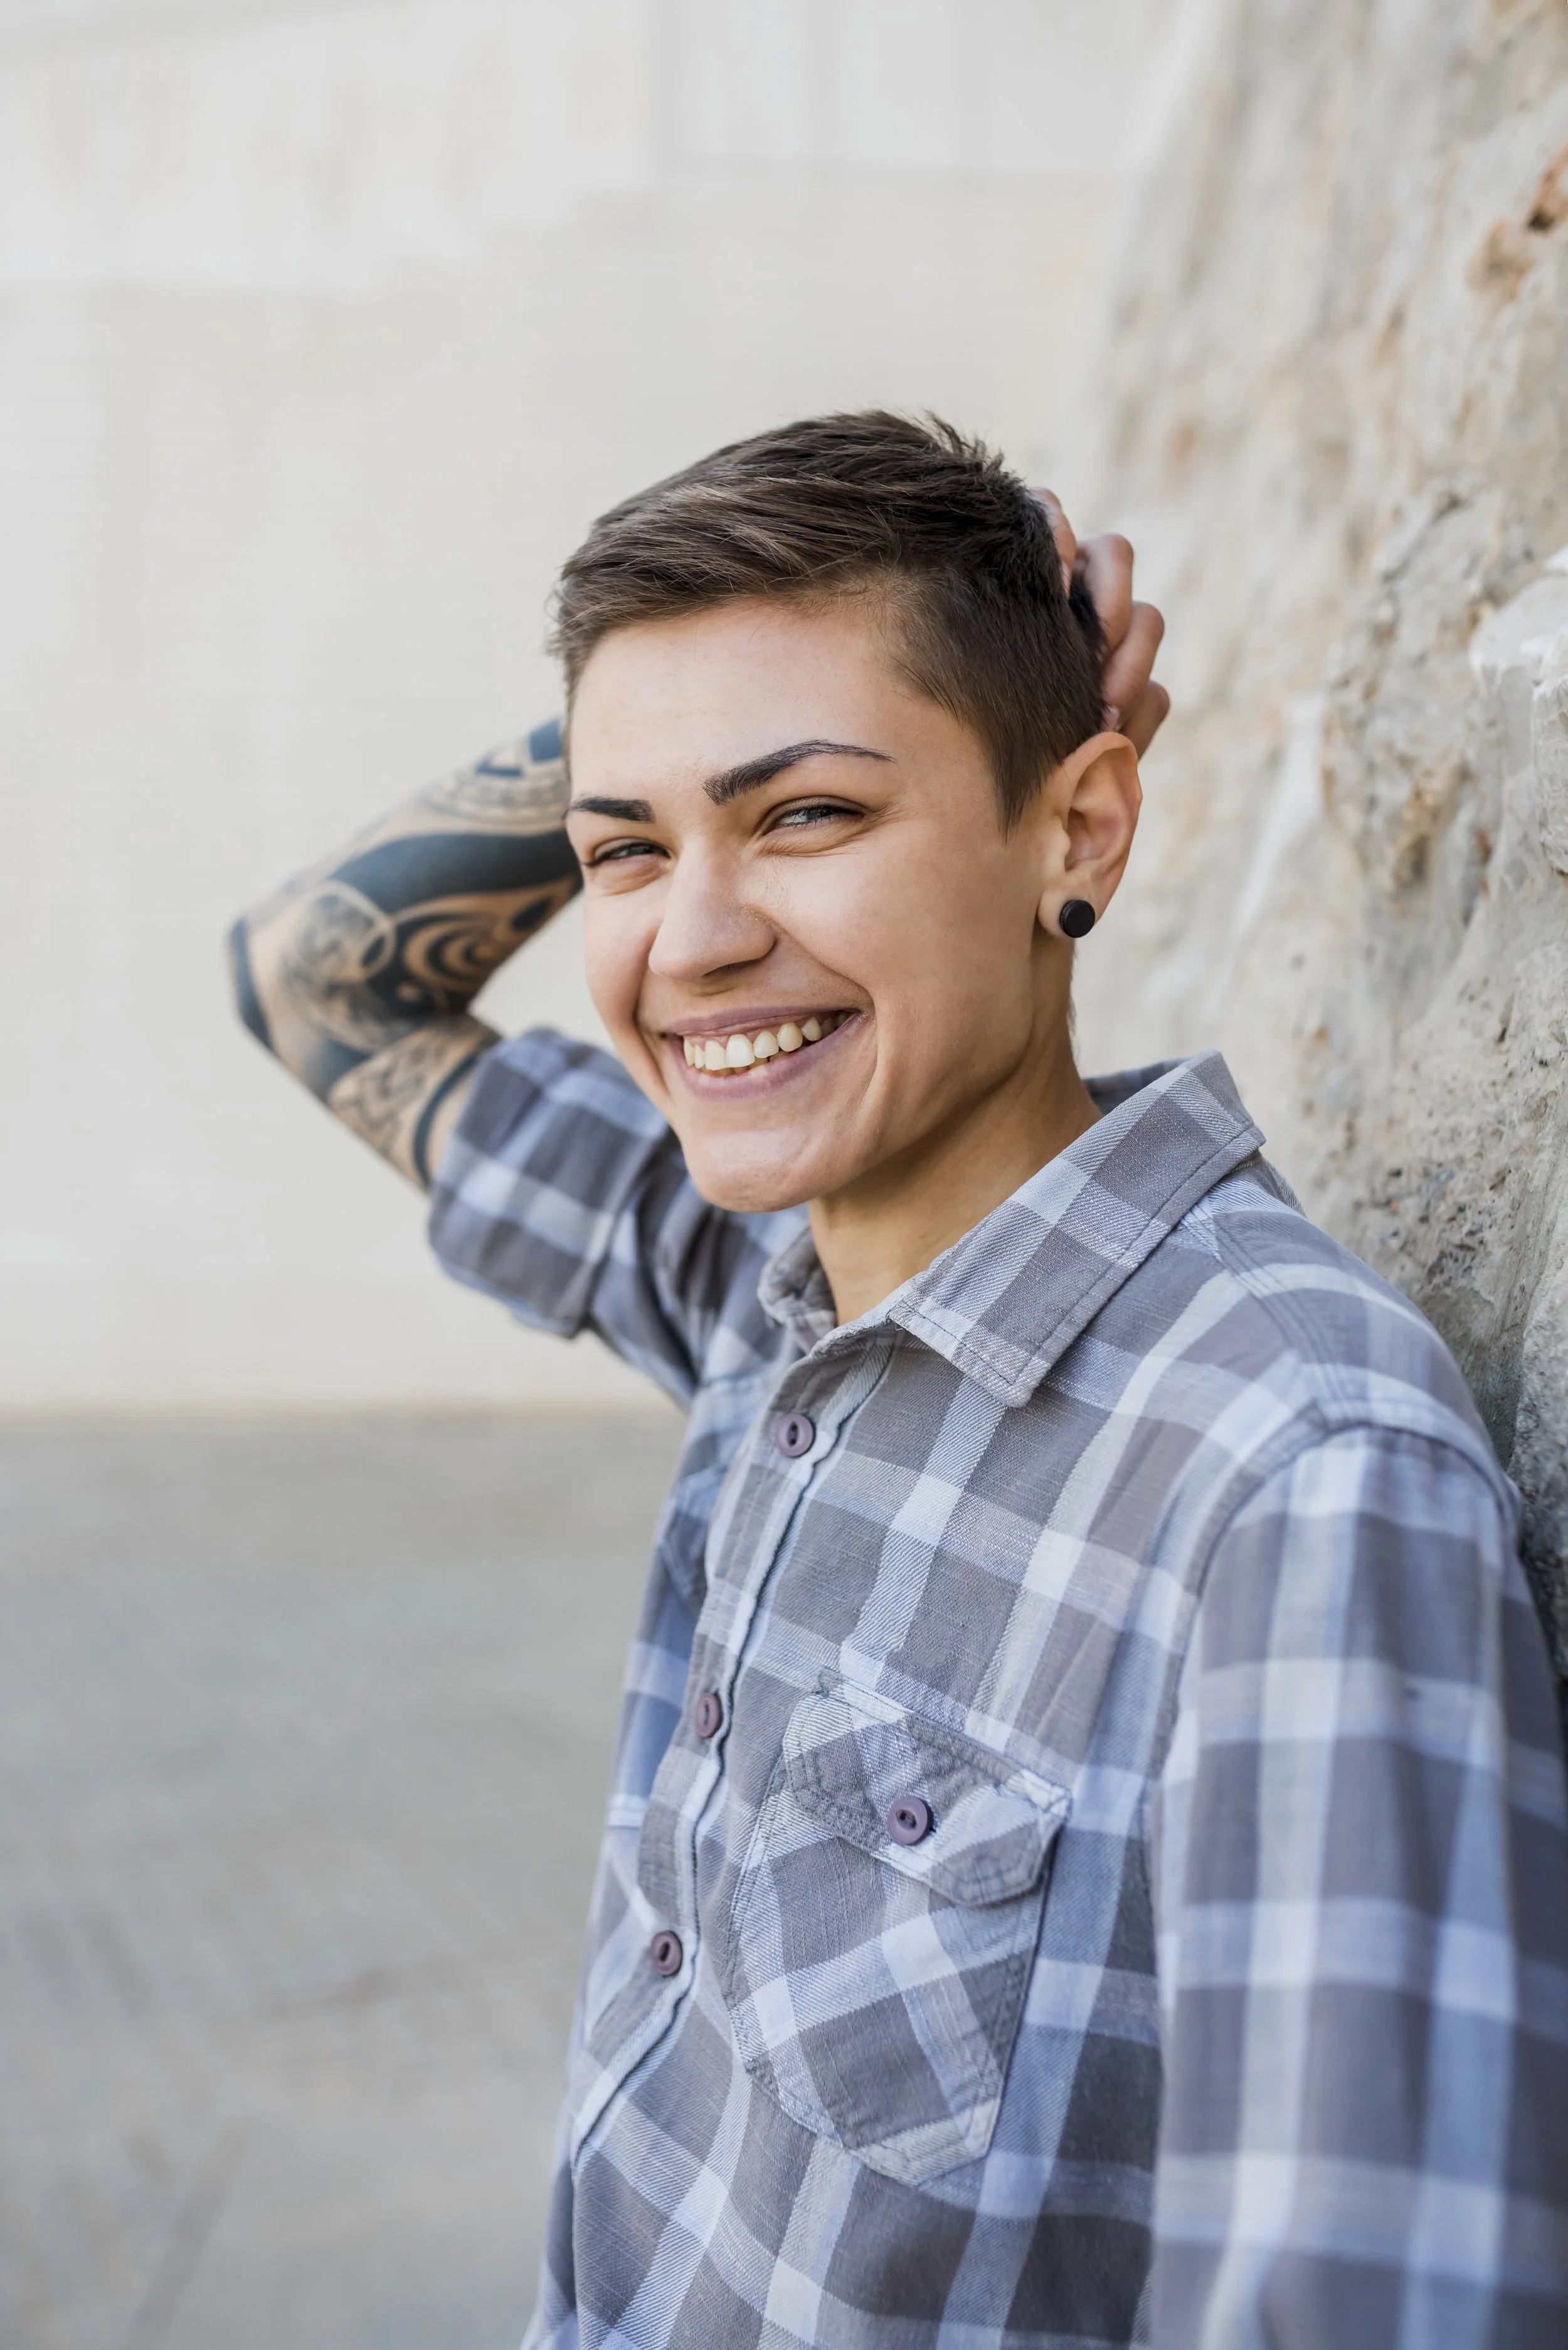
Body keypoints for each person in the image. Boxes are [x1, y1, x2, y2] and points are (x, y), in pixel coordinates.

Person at [231, 413, 1568, 2350]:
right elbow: (315, 974)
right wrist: (697, 731)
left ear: (1082, 830)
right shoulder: (762, 1295)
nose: (691, 941)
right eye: (628, 851)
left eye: (806, 818)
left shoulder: (1290, 1470)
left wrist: (989, 688)